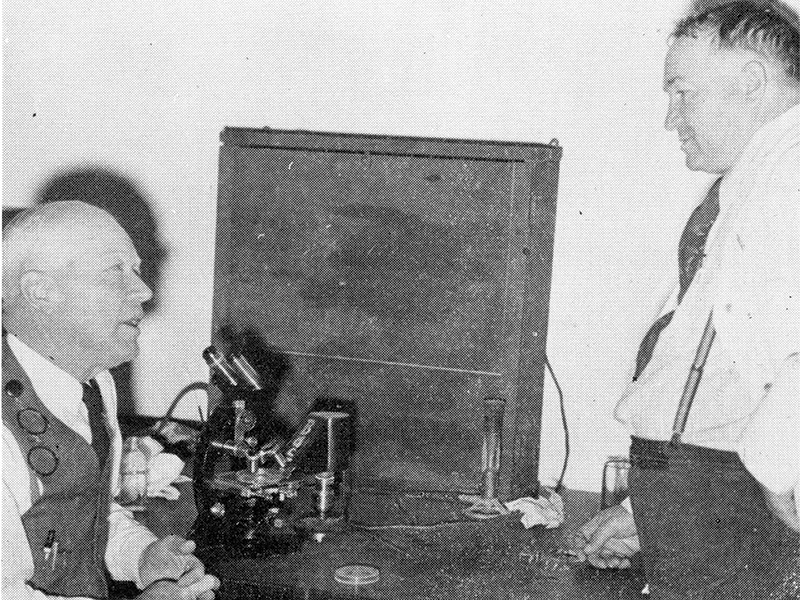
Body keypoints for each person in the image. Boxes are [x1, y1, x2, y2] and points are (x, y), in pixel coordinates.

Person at [573, 1, 799, 598]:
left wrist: (778, 473)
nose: (670, 119)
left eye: (683, 94)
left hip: (731, 497)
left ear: (752, 83)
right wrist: (652, 511)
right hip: (701, 497)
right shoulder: (757, 180)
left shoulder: (792, 175)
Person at [2, 200, 220, 600]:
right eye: (115, 270)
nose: (144, 290)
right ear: (39, 290)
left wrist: (141, 556)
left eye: (135, 269)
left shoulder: (94, 383)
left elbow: (84, 510)